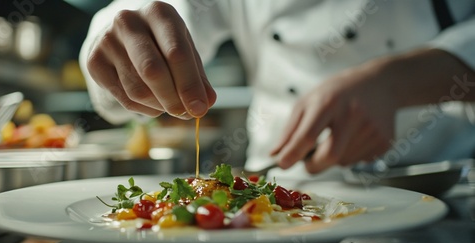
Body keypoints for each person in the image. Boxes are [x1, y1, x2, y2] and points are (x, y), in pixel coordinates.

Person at [79, 0, 475, 178]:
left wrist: (398, 83)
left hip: (437, 189)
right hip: (275, 198)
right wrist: (123, 38)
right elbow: (144, 11)